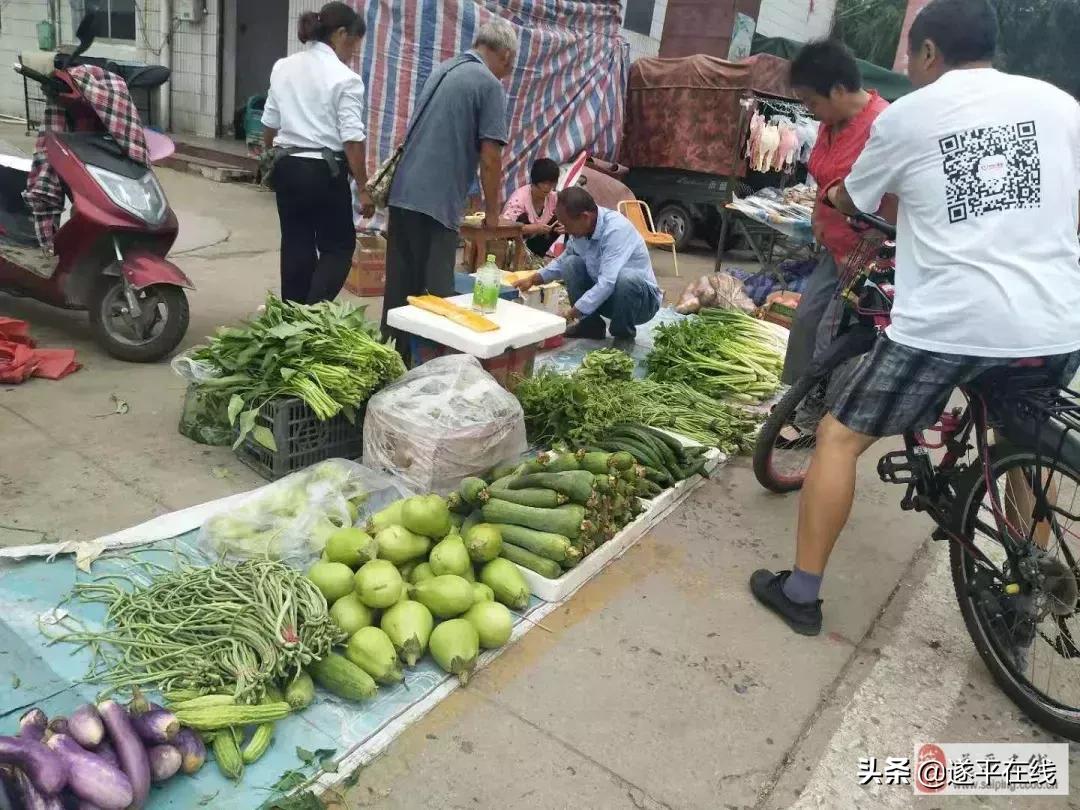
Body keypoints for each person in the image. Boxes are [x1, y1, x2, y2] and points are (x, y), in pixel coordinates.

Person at [750, 0, 1080, 637]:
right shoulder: (1062, 106)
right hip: (1057, 320)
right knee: (1022, 447)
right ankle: (1024, 590)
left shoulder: (908, 116)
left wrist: (836, 196)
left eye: (912, 57)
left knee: (837, 437)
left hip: (951, 323)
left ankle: (801, 592)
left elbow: (855, 197)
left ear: (929, 53)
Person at [381, 19, 516, 344]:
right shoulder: (488, 84)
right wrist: (493, 213)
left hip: (403, 195)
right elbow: (490, 157)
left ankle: (388, 359)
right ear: (506, 55)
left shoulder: (444, 69)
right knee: (436, 296)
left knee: (400, 290)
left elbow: (443, 137)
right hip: (435, 204)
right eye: (509, 67)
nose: (506, 74)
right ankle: (430, 373)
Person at [782, 40, 892, 388]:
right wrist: (819, 216)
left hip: (869, 258)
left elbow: (893, 198)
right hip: (834, 251)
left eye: (812, 102)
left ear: (840, 90)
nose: (810, 111)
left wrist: (871, 250)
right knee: (805, 320)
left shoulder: (883, 125)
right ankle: (790, 402)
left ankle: (820, 415)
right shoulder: (829, 125)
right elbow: (823, 178)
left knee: (832, 338)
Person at [260, 2, 371, 304]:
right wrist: (363, 189)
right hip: (323, 171)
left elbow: (269, 124)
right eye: (353, 44)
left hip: (287, 167)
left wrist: (267, 158)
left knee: (297, 243)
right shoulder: (345, 78)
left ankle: (290, 315)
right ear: (340, 34)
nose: (353, 53)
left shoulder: (284, 66)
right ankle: (311, 313)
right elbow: (352, 139)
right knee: (338, 247)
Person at [514, 187, 661, 340]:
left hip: (642, 303)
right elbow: (563, 260)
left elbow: (607, 282)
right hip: (609, 298)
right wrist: (533, 279)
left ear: (585, 217)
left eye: (567, 224)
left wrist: (572, 313)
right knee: (571, 263)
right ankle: (590, 328)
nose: (566, 230)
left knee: (626, 278)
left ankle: (623, 335)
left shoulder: (616, 230)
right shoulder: (581, 230)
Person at [502, 157, 561, 258]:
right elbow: (504, 227)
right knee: (522, 219)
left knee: (561, 219)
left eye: (550, 184)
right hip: (512, 244)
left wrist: (566, 227)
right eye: (544, 183)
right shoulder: (519, 199)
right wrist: (533, 228)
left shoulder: (553, 197)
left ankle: (536, 257)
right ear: (534, 182)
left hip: (535, 246)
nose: (547, 188)